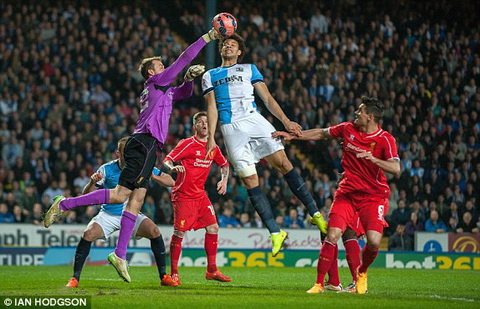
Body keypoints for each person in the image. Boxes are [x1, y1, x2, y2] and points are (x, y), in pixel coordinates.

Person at [42, 28, 221, 282]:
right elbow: (182, 60)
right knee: (121, 194)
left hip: (149, 146)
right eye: (160, 64)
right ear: (151, 71)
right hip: (145, 143)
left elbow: (182, 93)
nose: (164, 66)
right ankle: (65, 204)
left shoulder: (162, 91)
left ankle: (120, 254)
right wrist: (207, 38)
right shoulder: (155, 82)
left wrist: (189, 80)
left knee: (136, 199)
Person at [202, 33, 327, 257]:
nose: (228, 46)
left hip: (254, 119)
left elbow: (267, 99)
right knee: (250, 181)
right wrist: (211, 136)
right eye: (225, 44)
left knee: (283, 163)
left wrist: (286, 122)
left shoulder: (249, 69)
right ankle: (275, 233)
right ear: (221, 50)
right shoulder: (209, 75)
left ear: (240, 52)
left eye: (233, 45)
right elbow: (211, 107)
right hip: (230, 129)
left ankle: (316, 214)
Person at [273, 96, 401, 294]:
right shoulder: (347, 129)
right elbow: (322, 133)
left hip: (373, 197)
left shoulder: (385, 139)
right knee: (331, 234)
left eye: (360, 110)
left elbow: (396, 168)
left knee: (374, 241)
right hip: (347, 193)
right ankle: (319, 284)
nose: (356, 113)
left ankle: (362, 273)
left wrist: (374, 159)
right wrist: (294, 136)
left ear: (371, 116)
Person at [65, 137, 178, 288]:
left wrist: (153, 175)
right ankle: (75, 278)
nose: (130, 154)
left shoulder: (142, 166)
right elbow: (86, 194)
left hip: (131, 214)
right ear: (119, 153)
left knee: (154, 231)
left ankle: (164, 276)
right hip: (109, 215)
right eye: (126, 151)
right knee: (88, 234)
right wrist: (92, 182)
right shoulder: (107, 169)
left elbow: (171, 181)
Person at [163, 112, 231, 285]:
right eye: (200, 122)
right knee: (180, 232)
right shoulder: (187, 144)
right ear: (195, 126)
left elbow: (224, 164)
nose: (204, 124)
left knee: (213, 228)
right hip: (183, 196)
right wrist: (173, 168)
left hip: (200, 195)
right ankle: (174, 273)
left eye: (206, 122)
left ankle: (212, 270)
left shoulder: (212, 147)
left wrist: (224, 180)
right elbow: (167, 160)